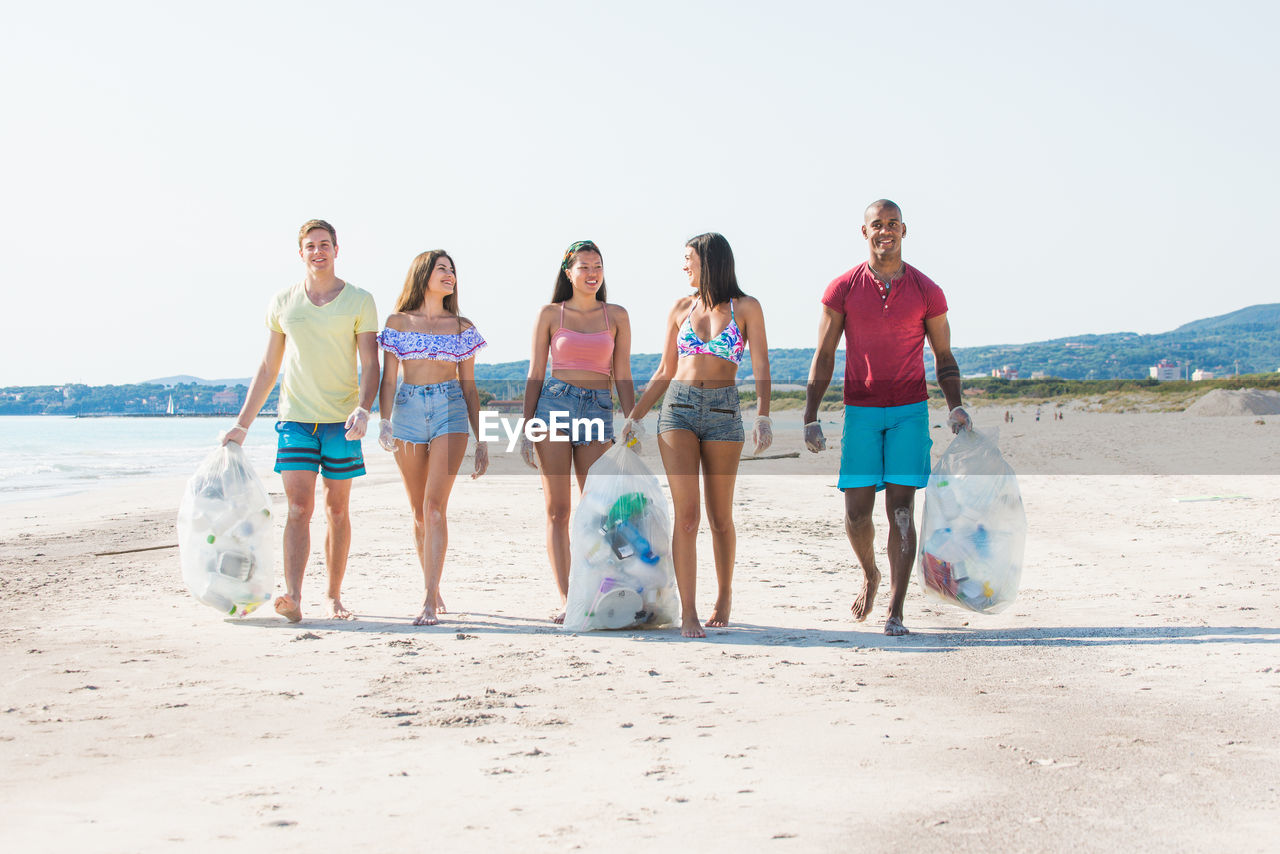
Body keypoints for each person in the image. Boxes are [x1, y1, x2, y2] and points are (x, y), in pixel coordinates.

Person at [803, 200, 969, 637]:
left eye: (893, 224)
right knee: (857, 514)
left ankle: (896, 609)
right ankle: (870, 573)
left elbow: (944, 356)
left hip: (909, 412)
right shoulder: (842, 288)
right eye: (877, 225)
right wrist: (810, 415)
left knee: (900, 510)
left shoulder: (927, 290)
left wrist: (954, 405)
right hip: (860, 410)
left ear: (904, 231)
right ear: (865, 232)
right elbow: (824, 356)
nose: (885, 231)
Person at [223, 219, 379, 622]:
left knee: (338, 509)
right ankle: (292, 595)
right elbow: (267, 367)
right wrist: (242, 424)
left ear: (336, 249)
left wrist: (365, 407)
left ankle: (333, 595)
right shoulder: (283, 301)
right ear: (301, 253)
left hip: (342, 422)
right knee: (297, 508)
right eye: (310, 246)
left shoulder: (360, 300)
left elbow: (370, 364)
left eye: (324, 244)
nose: (318, 251)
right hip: (295, 420)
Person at [625, 233, 771, 638]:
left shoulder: (745, 308)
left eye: (688, 258)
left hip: (725, 412)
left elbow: (761, 364)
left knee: (721, 517)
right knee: (687, 516)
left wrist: (763, 416)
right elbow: (663, 370)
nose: (684, 266)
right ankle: (687, 611)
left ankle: (723, 596)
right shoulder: (680, 308)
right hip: (678, 411)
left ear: (709, 261)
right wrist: (635, 417)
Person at [519, 240, 635, 623]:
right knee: (558, 510)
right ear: (568, 271)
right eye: (583, 266)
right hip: (553, 405)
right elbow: (536, 372)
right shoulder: (551, 314)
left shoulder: (615, 315)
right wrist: (525, 425)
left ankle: (599, 586)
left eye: (597, 266)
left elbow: (622, 374)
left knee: (599, 509)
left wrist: (631, 421)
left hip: (598, 408)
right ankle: (570, 598)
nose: (592, 273)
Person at [376, 250, 489, 626]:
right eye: (442, 269)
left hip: (450, 409)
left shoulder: (462, 327)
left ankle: (428, 599)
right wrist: (384, 421)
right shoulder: (397, 322)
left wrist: (482, 439)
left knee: (435, 506)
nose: (450, 275)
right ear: (423, 274)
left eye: (453, 270)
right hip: (406, 410)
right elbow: (389, 378)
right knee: (418, 511)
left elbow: (471, 388)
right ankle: (433, 584)